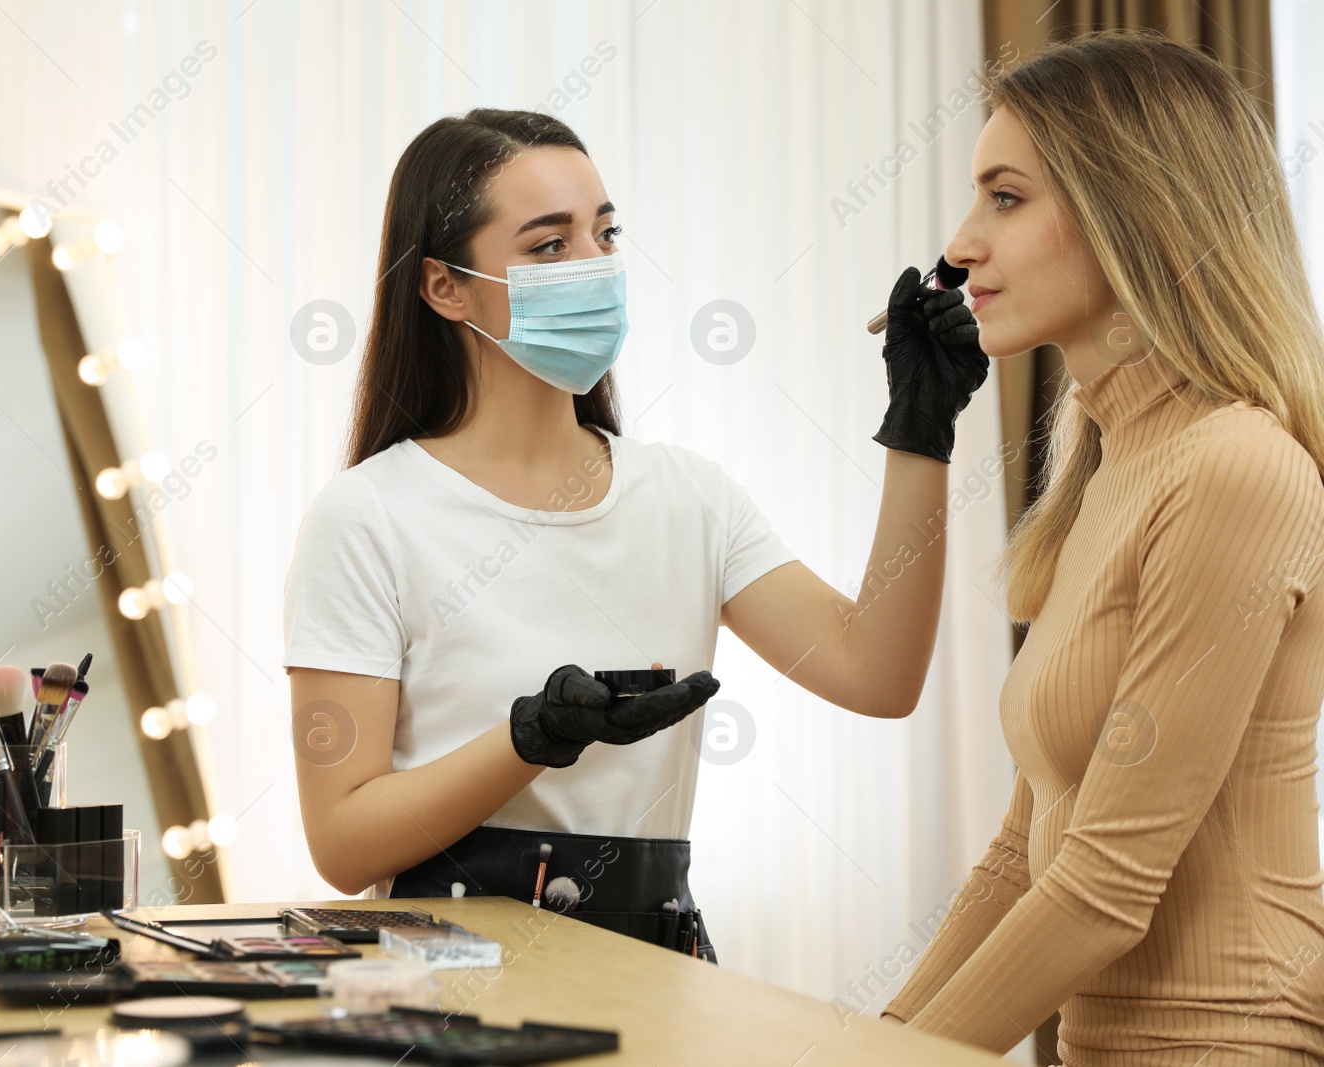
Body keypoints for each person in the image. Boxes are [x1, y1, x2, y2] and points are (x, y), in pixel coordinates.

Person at [282, 107, 988, 961]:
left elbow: (877, 673)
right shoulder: (366, 518)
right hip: (448, 994)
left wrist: (922, 428)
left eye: (605, 234)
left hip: (658, 973)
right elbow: (344, 844)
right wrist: (528, 739)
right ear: (444, 286)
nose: (594, 267)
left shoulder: (686, 496)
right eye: (549, 246)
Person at [878, 32, 1324, 1065]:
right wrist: (869, 1035)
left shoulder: (1234, 468)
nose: (957, 245)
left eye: (1005, 196)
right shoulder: (1108, 455)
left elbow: (1106, 887)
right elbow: (1018, 855)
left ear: (1136, 209)